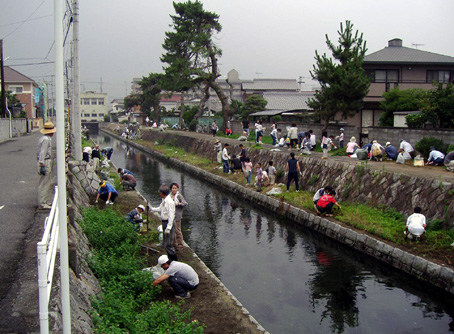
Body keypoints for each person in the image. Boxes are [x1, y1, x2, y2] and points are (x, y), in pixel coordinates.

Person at [151, 185, 177, 261]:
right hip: (164, 223)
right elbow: (160, 209)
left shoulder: (169, 202)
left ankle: (174, 260)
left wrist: (169, 228)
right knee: (166, 244)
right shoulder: (164, 200)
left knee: (168, 244)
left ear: (162, 193)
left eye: (160, 192)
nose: (159, 193)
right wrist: (152, 209)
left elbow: (171, 216)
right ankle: (170, 259)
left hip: (169, 223)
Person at [37, 121, 57, 209]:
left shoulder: (43, 138)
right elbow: (42, 152)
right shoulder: (46, 140)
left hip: (44, 161)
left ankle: (45, 201)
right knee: (45, 183)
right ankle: (43, 203)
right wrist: (42, 164)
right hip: (45, 162)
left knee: (46, 182)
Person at [170, 183, 188, 250]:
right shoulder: (169, 196)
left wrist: (179, 203)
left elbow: (185, 203)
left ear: (177, 189)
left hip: (177, 215)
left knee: (177, 230)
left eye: (175, 188)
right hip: (171, 215)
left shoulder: (179, 196)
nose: (174, 189)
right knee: (172, 230)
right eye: (173, 188)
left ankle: (180, 243)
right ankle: (174, 243)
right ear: (171, 189)